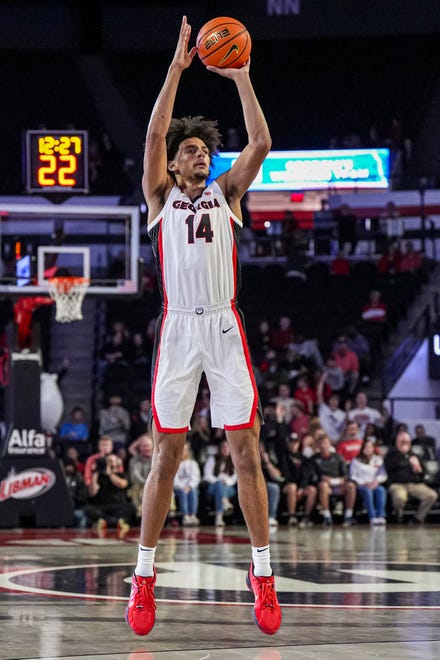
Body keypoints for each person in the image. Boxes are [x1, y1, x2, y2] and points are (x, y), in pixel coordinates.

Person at [125, 16, 281, 638]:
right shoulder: (161, 196)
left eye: (203, 151)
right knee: (167, 453)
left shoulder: (227, 195)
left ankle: (263, 576)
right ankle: (144, 578)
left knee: (247, 450)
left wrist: (241, 77)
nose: (200, 154)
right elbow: (156, 130)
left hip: (223, 328)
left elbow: (262, 144)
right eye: (191, 150)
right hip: (178, 332)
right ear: (176, 161)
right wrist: (177, 68)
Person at [384, 430, 438, 524]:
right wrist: (405, 460)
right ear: (397, 442)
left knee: (432, 495)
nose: (404, 443)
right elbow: (388, 467)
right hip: (397, 484)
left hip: (414, 484)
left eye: (406, 441)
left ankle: (418, 518)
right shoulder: (391, 455)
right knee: (399, 498)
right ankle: (398, 517)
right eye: (402, 441)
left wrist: (419, 468)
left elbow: (424, 473)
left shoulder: (415, 456)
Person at [312, 434, 357, 526]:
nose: (323, 446)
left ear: (329, 444)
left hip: (339, 484)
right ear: (318, 446)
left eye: (325, 443)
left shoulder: (338, 457)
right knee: (323, 486)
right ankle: (327, 516)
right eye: (321, 444)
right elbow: (313, 476)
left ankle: (348, 515)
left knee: (351, 486)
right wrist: (322, 478)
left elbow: (346, 474)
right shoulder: (314, 459)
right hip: (325, 485)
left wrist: (342, 479)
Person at [84, 453, 136, 533]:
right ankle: (115, 522)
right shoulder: (98, 476)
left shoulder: (122, 474)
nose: (110, 463)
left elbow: (122, 484)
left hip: (117, 506)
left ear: (117, 463)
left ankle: (105, 522)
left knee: (131, 507)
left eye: (112, 461)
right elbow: (92, 492)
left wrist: (110, 474)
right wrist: (95, 472)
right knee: (88, 509)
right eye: (108, 461)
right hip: (101, 506)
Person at [279, 434, 318, 527]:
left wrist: (302, 488)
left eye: (296, 443)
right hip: (287, 485)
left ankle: (306, 517)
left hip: (301, 486)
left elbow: (306, 474)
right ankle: (292, 516)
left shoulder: (304, 458)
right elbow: (285, 473)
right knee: (292, 487)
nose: (293, 445)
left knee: (312, 490)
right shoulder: (283, 457)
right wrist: (296, 487)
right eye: (291, 443)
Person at [349, 438, 387, 525]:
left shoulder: (378, 459)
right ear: (362, 449)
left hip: (374, 484)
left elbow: (383, 474)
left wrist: (376, 481)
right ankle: (372, 517)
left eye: (370, 447)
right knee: (367, 492)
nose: (368, 449)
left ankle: (380, 516)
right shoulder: (356, 461)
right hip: (362, 485)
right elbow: (353, 475)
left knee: (381, 490)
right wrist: (363, 483)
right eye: (366, 447)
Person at [203, 438, 238, 528]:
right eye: (224, 447)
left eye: (228, 447)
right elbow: (207, 475)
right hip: (213, 486)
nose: (226, 449)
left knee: (222, 487)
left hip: (229, 487)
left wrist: (226, 481)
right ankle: (224, 503)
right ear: (220, 448)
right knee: (219, 485)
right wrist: (219, 481)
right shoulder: (213, 459)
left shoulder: (234, 460)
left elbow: (235, 477)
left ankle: (219, 516)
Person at [173, 440, 201, 526]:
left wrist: (189, 486)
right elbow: (174, 478)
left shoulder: (193, 463)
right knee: (182, 492)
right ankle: (185, 515)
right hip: (178, 488)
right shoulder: (175, 464)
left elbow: (196, 477)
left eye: (184, 450)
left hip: (190, 487)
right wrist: (182, 487)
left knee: (193, 491)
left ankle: (193, 515)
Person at [258, 441, 284, 528]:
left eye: (261, 447)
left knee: (274, 487)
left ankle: (271, 517)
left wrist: (268, 463)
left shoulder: (268, 459)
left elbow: (277, 477)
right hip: (252, 484)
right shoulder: (249, 458)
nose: (260, 450)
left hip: (265, 484)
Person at [128, 434, 154, 518]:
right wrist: (147, 484)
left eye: (148, 446)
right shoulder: (134, 460)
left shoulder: (157, 459)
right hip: (140, 485)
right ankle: (140, 514)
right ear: (139, 448)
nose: (146, 448)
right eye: (143, 446)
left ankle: (170, 515)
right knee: (136, 490)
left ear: (153, 446)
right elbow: (134, 477)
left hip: (155, 485)